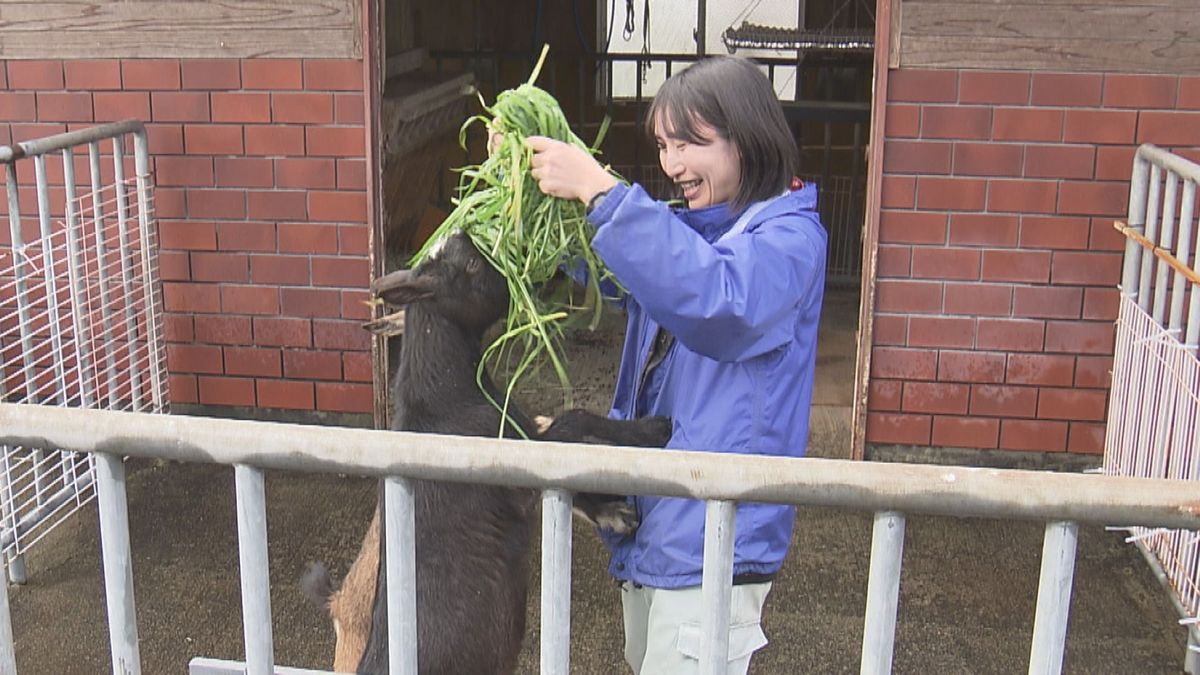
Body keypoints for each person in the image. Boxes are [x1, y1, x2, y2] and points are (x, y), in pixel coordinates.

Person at [526, 55, 826, 674]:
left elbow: (719, 303)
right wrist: (540, 205)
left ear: (749, 138)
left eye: (691, 143)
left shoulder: (788, 242)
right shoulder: (701, 232)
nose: (672, 164)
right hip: (665, 523)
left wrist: (601, 192)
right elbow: (630, 274)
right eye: (664, 144)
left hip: (716, 534)